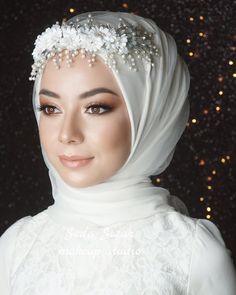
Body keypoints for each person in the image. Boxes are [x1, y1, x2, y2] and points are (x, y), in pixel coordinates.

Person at [0, 10, 235, 295]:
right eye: (51, 108)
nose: (66, 134)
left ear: (149, 112)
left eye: (96, 108)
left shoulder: (194, 256)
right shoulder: (16, 247)